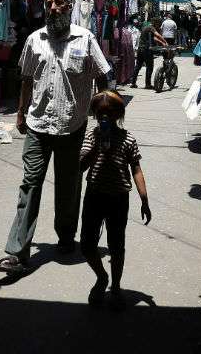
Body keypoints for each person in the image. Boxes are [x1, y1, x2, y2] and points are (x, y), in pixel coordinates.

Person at [0, 0, 112, 276]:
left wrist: (104, 120)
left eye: (60, 3)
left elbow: (102, 79)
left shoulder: (85, 39)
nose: (54, 8)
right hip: (38, 124)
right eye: (50, 3)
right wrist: (21, 113)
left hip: (72, 126)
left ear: (69, 7)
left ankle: (65, 235)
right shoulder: (35, 40)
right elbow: (25, 79)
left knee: (68, 187)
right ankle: (17, 251)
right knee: (30, 184)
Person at [80, 90, 151, 311]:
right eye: (100, 114)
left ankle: (116, 287)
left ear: (118, 114)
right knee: (87, 244)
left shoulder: (128, 139)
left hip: (119, 198)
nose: (105, 118)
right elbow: (81, 166)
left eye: (109, 114)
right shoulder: (91, 136)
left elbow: (136, 168)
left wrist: (144, 199)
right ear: (95, 115)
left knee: (117, 246)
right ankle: (102, 277)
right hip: (94, 196)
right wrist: (95, 149)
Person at [132, 16, 168, 89]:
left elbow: (154, 38)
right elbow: (157, 35)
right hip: (146, 50)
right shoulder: (151, 27)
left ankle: (133, 83)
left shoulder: (146, 27)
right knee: (149, 67)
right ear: (156, 22)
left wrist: (162, 42)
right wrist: (165, 42)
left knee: (138, 66)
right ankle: (148, 84)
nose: (160, 25)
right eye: (159, 23)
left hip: (140, 49)